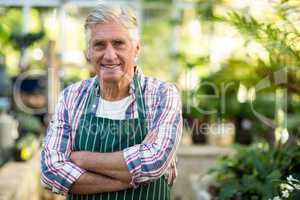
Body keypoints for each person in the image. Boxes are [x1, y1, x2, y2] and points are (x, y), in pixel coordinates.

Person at [41, 2, 182, 199]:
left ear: (136, 49)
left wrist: (80, 159)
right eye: (99, 45)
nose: (109, 55)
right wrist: (127, 177)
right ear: (88, 52)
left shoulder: (162, 95)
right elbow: (51, 171)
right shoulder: (71, 97)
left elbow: (153, 162)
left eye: (118, 43)